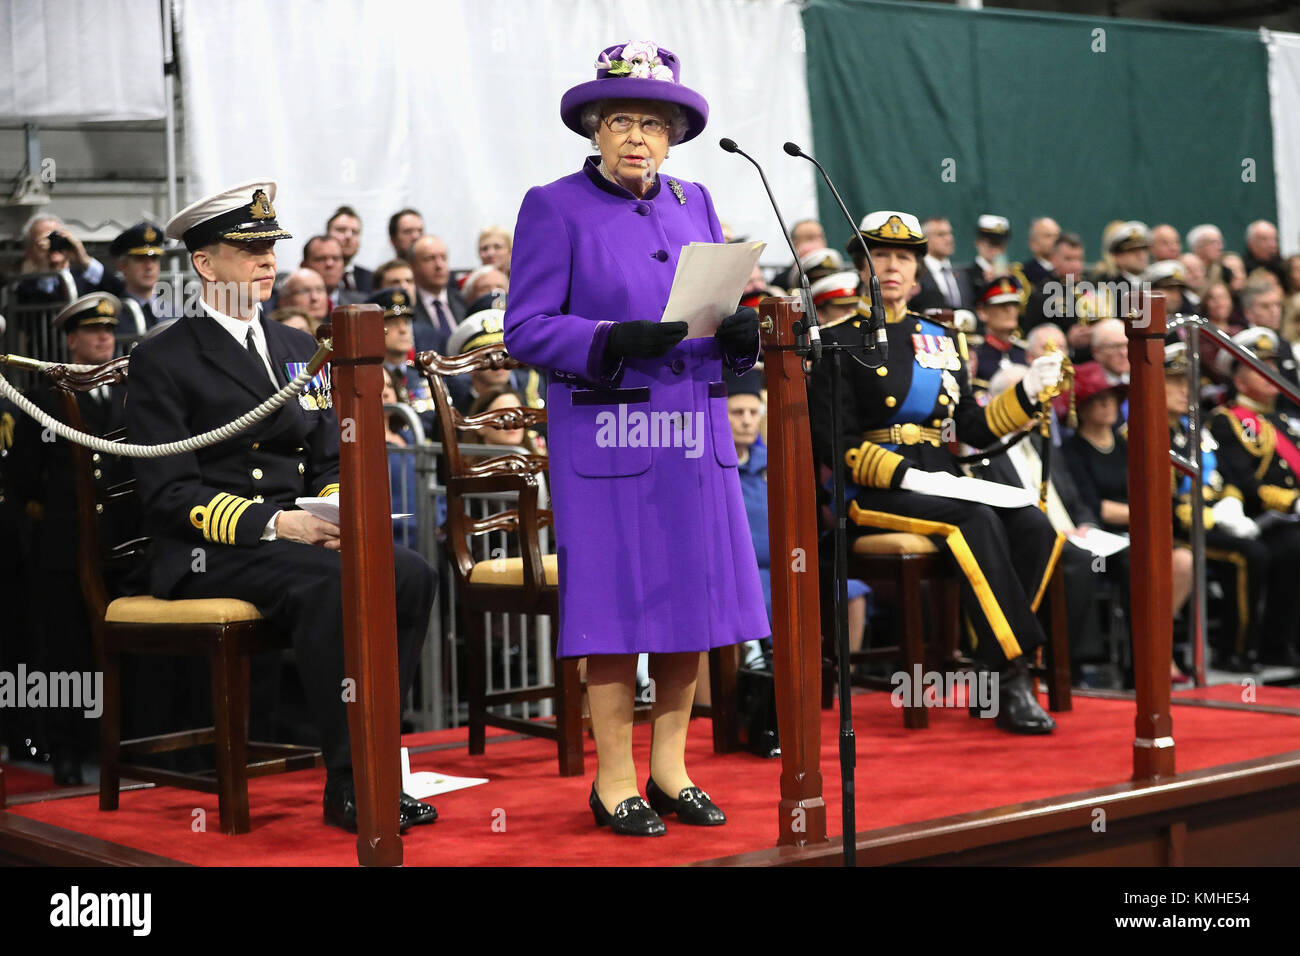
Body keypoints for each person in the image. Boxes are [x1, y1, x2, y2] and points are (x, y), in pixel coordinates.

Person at [503, 40, 766, 835]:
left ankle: (670, 769)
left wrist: (738, 334)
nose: (636, 138)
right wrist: (610, 340)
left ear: (672, 134)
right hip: (609, 440)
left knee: (692, 609)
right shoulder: (553, 205)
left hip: (693, 435)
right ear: (593, 126)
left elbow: (713, 306)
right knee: (616, 615)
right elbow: (525, 328)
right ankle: (612, 780)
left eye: (652, 124)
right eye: (620, 120)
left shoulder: (698, 200)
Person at [126, 179, 438, 832]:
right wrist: (277, 523)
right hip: (213, 549)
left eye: (271, 246)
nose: (268, 260)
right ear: (206, 264)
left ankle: (379, 760)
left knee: (410, 571)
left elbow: (330, 457)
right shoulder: (162, 356)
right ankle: (355, 782)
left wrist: (329, 518)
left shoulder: (301, 349)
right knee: (334, 587)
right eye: (249, 249)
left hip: (299, 539)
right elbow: (169, 492)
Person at [808, 209, 1066, 734]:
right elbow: (832, 439)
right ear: (862, 266)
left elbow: (972, 422)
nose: (893, 266)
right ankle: (1013, 674)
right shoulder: (834, 341)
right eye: (880, 256)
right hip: (873, 489)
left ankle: (990, 664)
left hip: (941, 475)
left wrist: (1028, 393)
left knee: (1036, 526)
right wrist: (901, 475)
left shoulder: (941, 339)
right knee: (973, 517)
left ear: (919, 271)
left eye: (904, 257)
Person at [9, 293, 135, 784]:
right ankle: (66, 748)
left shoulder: (132, 398)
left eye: (109, 329)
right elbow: (23, 482)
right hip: (66, 549)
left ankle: (120, 746)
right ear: (71, 340)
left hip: (123, 549)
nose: (105, 337)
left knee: (122, 650)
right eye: (93, 330)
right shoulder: (44, 402)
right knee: (67, 654)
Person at [973, 365, 1106, 685]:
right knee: (1077, 561)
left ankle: (1134, 666)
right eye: (1030, 397)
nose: (1039, 406)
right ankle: (1065, 664)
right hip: (1030, 539)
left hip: (1075, 533)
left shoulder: (1043, 443)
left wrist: (1086, 523)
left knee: (1135, 559)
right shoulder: (984, 452)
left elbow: (1076, 500)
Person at [1063, 362, 1194, 682]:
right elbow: (1095, 507)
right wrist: (1144, 511)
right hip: (1100, 537)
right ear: (1084, 406)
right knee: (1139, 564)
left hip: (1139, 530)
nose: (1109, 406)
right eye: (1100, 400)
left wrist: (1148, 512)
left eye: (1111, 399)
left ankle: (1157, 646)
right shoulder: (1072, 450)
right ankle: (1146, 660)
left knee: (1184, 560)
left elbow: (1153, 488)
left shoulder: (1126, 444)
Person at [1164, 343, 1265, 673]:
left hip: (1210, 517)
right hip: (1178, 528)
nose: (1186, 391)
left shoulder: (1195, 429)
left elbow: (1226, 473)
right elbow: (1163, 499)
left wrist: (1232, 502)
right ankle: (1234, 651)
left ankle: (1256, 647)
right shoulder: (1147, 431)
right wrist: (1201, 514)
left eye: (1188, 382)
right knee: (1246, 554)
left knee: (1262, 548)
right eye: (1175, 382)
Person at [1208, 327, 1300, 666]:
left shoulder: (1288, 419)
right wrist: (1291, 502)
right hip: (1256, 519)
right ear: (1239, 376)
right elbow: (1244, 481)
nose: (1271, 374)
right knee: (1292, 546)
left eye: (1273, 366)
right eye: (1260, 366)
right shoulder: (1227, 421)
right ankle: (1272, 645)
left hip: (1289, 520)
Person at [14, 214, 106, 304]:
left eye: (57, 238)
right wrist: (45, 270)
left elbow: (117, 289)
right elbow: (39, 311)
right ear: (29, 251)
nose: (53, 244)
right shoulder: (26, 288)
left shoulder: (86, 277)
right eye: (45, 240)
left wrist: (85, 259)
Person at [101, 222, 170, 334]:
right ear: (122, 266)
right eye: (140, 259)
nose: (149, 266)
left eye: (154, 258)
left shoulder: (175, 313)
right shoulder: (113, 315)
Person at [409, 235, 467, 354]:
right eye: (430, 258)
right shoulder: (409, 306)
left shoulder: (463, 301)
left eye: (443, 258)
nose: (439, 265)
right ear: (413, 266)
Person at [971, 275, 1028, 391]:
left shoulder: (1024, 352)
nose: (1010, 310)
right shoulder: (974, 353)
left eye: (1014, 304)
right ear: (982, 312)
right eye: (1002, 305)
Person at [910, 216, 973, 312]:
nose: (949, 239)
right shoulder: (916, 272)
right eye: (941, 234)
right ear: (925, 239)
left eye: (950, 233)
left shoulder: (962, 274)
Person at [960, 214, 1012, 293]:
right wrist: (987, 284)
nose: (996, 249)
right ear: (978, 243)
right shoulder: (967, 276)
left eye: (1000, 244)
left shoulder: (1012, 276)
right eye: (991, 244)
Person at [327, 206, 371, 294]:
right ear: (327, 235)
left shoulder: (371, 279)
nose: (348, 236)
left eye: (355, 232)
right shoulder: (314, 277)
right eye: (341, 230)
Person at [276, 267, 331, 333]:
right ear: (284, 301)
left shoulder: (338, 330)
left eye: (319, 290)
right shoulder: (280, 333)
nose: (314, 297)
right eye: (305, 291)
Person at [1017, 216, 1061, 291]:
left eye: (1057, 236)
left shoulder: (1068, 271)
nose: (1055, 240)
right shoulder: (1024, 274)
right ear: (1033, 244)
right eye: (1048, 236)